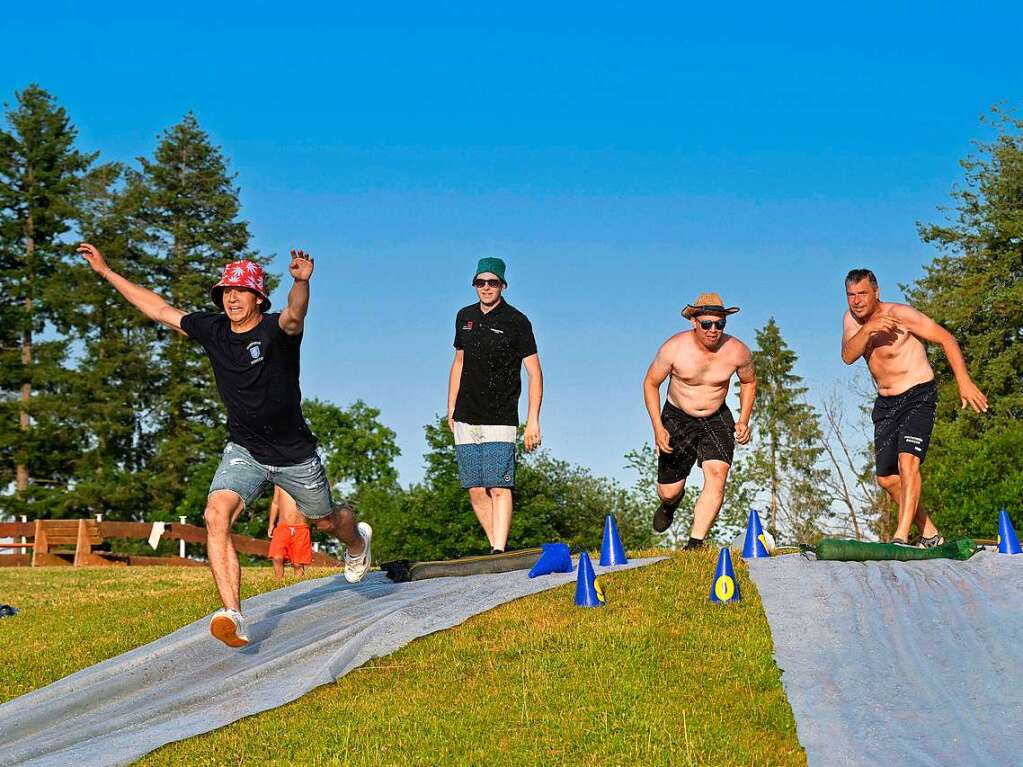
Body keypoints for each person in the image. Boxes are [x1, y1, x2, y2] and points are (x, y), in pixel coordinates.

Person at [77, 243, 372, 648]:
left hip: (294, 455)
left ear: (257, 297)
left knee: (325, 521)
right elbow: (159, 310)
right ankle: (233, 613)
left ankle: (357, 542)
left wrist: (301, 283)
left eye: (240, 291)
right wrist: (107, 272)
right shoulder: (213, 330)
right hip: (245, 450)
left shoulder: (274, 331)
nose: (231, 298)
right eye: (225, 292)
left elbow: (294, 314)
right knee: (216, 514)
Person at [841, 268, 987, 546]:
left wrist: (964, 380)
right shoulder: (851, 321)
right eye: (851, 295)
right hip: (886, 402)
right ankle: (931, 533)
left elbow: (946, 337)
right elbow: (848, 355)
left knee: (908, 461)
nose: (857, 301)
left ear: (876, 293)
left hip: (918, 394)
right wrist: (869, 329)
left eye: (862, 293)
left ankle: (901, 535)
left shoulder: (900, 314)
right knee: (887, 479)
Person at [643, 293, 756, 549]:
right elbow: (650, 384)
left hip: (716, 418)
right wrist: (657, 428)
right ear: (694, 321)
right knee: (669, 491)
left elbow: (749, 381)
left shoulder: (737, 351)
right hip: (677, 417)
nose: (713, 330)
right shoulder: (673, 348)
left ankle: (695, 544)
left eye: (719, 324)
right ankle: (669, 505)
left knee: (717, 475)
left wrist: (744, 419)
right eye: (707, 324)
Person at [447, 257, 542, 553]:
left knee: (499, 486)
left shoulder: (517, 321)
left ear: (502, 285)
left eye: (492, 283)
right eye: (481, 282)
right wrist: (451, 408)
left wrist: (533, 420)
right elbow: (458, 362)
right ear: (475, 284)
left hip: (500, 416)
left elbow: (534, 373)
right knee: (475, 490)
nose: (486, 288)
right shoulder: (464, 316)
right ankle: (494, 549)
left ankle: (499, 549)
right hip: (466, 415)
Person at [268, 486, 312, 578]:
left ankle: (298, 586)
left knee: (298, 564)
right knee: (277, 557)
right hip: (282, 527)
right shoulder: (279, 483)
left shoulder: (305, 482)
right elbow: (275, 503)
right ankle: (279, 583)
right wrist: (271, 524)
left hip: (301, 529)